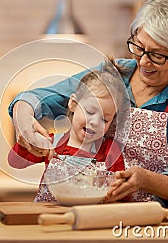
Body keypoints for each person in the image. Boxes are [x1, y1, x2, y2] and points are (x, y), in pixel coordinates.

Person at [8, 0, 168, 207]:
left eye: (157, 55)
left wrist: (147, 181)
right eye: (139, 47)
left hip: (151, 222)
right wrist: (23, 116)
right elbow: (38, 98)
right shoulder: (112, 75)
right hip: (89, 214)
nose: (144, 62)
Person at [8, 64, 126, 202]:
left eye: (105, 119)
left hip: (87, 218)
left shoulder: (110, 151)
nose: (95, 122)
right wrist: (30, 142)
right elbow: (14, 161)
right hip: (47, 216)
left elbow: (121, 191)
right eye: (90, 111)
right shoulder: (53, 143)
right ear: (73, 104)